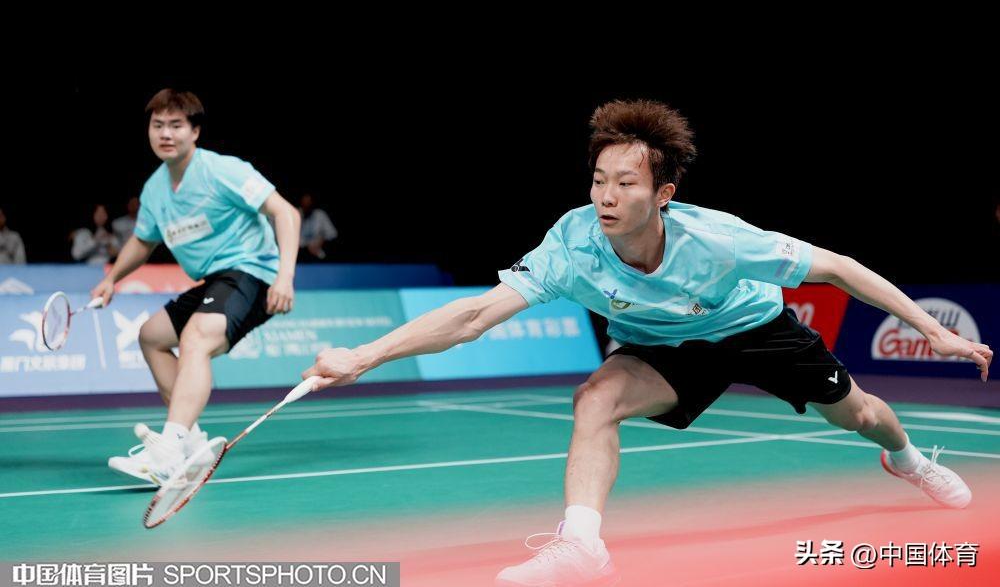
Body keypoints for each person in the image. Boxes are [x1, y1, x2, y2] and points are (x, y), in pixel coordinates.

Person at [301, 99, 992, 587]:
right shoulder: (572, 243)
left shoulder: (717, 238)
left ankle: (908, 461)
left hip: (752, 328)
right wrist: (364, 355)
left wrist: (931, 328)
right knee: (594, 399)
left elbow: (837, 267)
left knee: (863, 414)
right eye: (598, 180)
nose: (605, 196)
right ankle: (582, 545)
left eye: (625, 183)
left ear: (663, 193)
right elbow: (477, 314)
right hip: (660, 346)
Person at [92, 89, 301, 485]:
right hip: (215, 280)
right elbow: (143, 241)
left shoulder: (222, 170)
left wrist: (285, 277)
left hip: (252, 272)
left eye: (176, 125)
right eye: (158, 125)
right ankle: (191, 443)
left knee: (196, 336)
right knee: (152, 336)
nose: (165, 134)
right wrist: (111, 278)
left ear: (195, 131)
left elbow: (285, 212)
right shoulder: (155, 189)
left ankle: (169, 450)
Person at [298, 192, 338, 260]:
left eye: (308, 203)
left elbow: (333, 233)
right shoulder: (296, 214)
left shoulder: (320, 214)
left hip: (318, 250)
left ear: (312, 203)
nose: (306, 205)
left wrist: (321, 241)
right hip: (301, 252)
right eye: (304, 203)